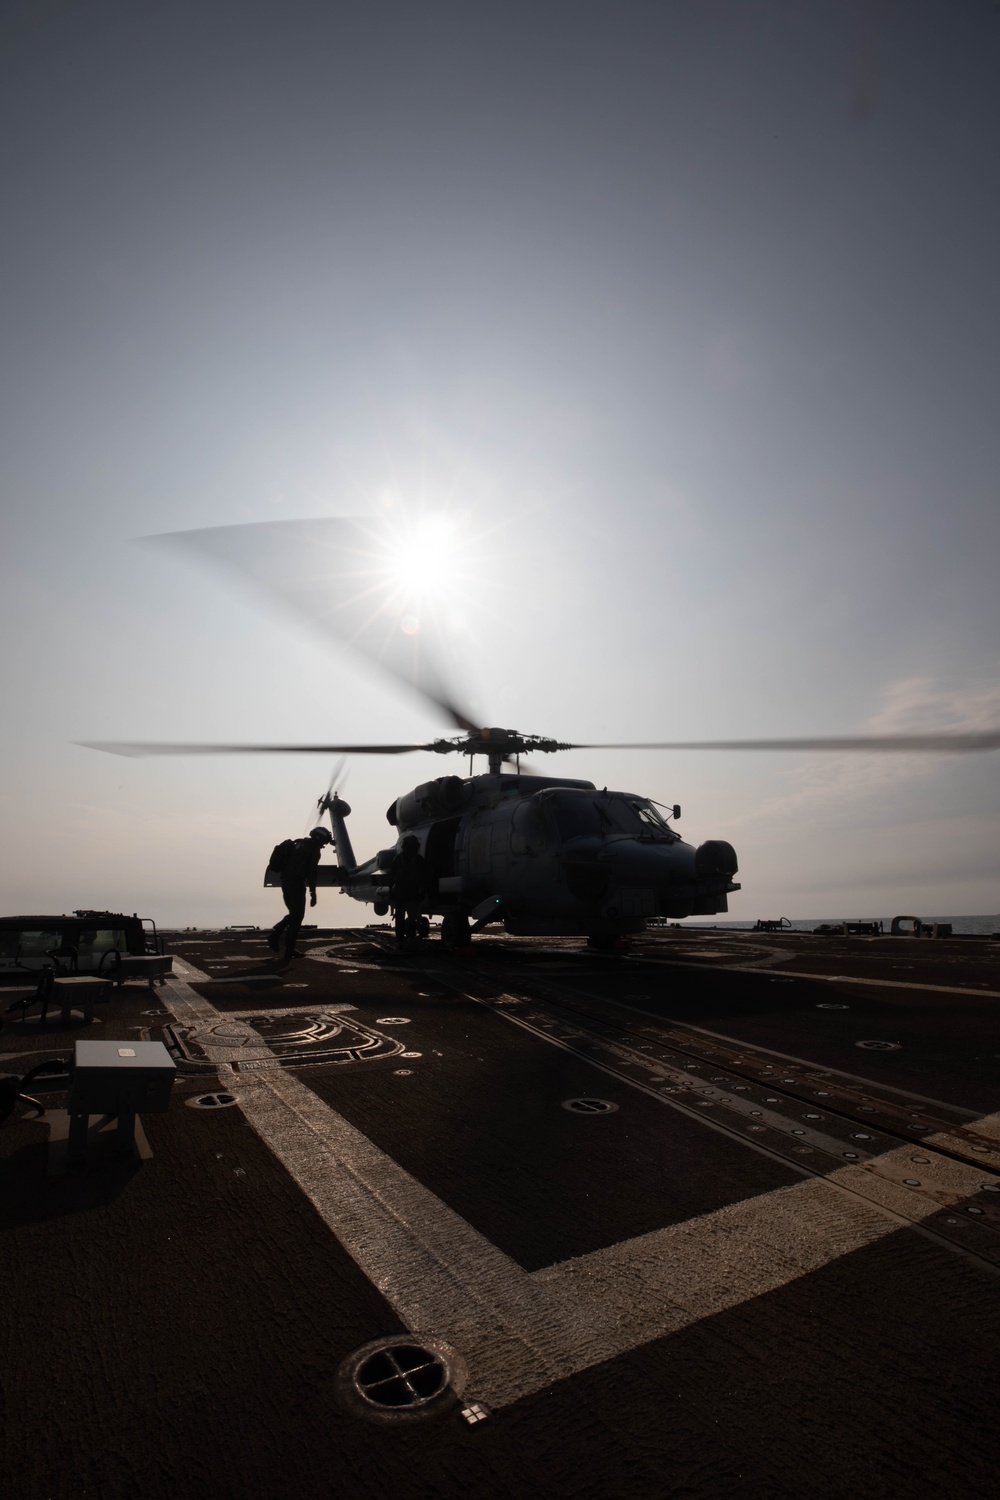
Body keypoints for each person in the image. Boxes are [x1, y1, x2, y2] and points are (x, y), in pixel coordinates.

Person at [268, 827, 333, 963]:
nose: (324, 845)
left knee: (294, 915)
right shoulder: (313, 851)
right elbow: (311, 873)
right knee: (297, 915)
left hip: (285, 882)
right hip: (296, 884)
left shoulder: (299, 844)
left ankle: (284, 943)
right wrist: (313, 892)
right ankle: (278, 935)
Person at [388, 834, 428, 948]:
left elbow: (424, 878)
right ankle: (404, 940)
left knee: (408, 918)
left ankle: (405, 940)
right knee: (407, 918)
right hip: (406, 892)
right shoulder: (412, 860)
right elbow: (424, 878)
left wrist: (391, 891)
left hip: (408, 892)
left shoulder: (414, 860)